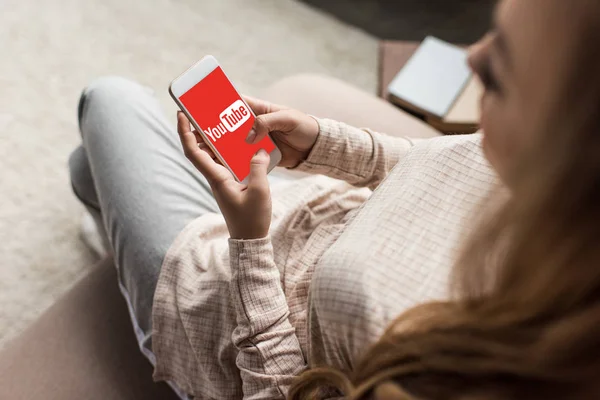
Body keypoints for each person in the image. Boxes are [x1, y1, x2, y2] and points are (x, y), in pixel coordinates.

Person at [68, 0, 600, 399]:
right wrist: (324, 144)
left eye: (500, 69)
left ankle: (139, 301)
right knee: (87, 168)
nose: (471, 59)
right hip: (309, 213)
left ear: (567, 148)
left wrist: (248, 240)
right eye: (491, 34)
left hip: (226, 310)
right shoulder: (551, 188)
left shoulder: (477, 367)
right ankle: (113, 231)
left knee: (108, 99)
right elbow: (439, 167)